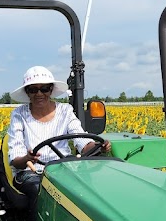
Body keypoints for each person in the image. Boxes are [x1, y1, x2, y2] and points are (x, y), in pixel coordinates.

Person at [6, 66, 110, 201]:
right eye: (33, 90)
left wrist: (98, 146)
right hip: (30, 171)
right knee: (41, 188)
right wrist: (27, 158)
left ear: (51, 90)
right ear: (27, 92)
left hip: (63, 168)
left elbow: (81, 141)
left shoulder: (65, 111)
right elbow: (16, 160)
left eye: (44, 89)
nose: (39, 94)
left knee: (89, 183)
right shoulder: (19, 114)